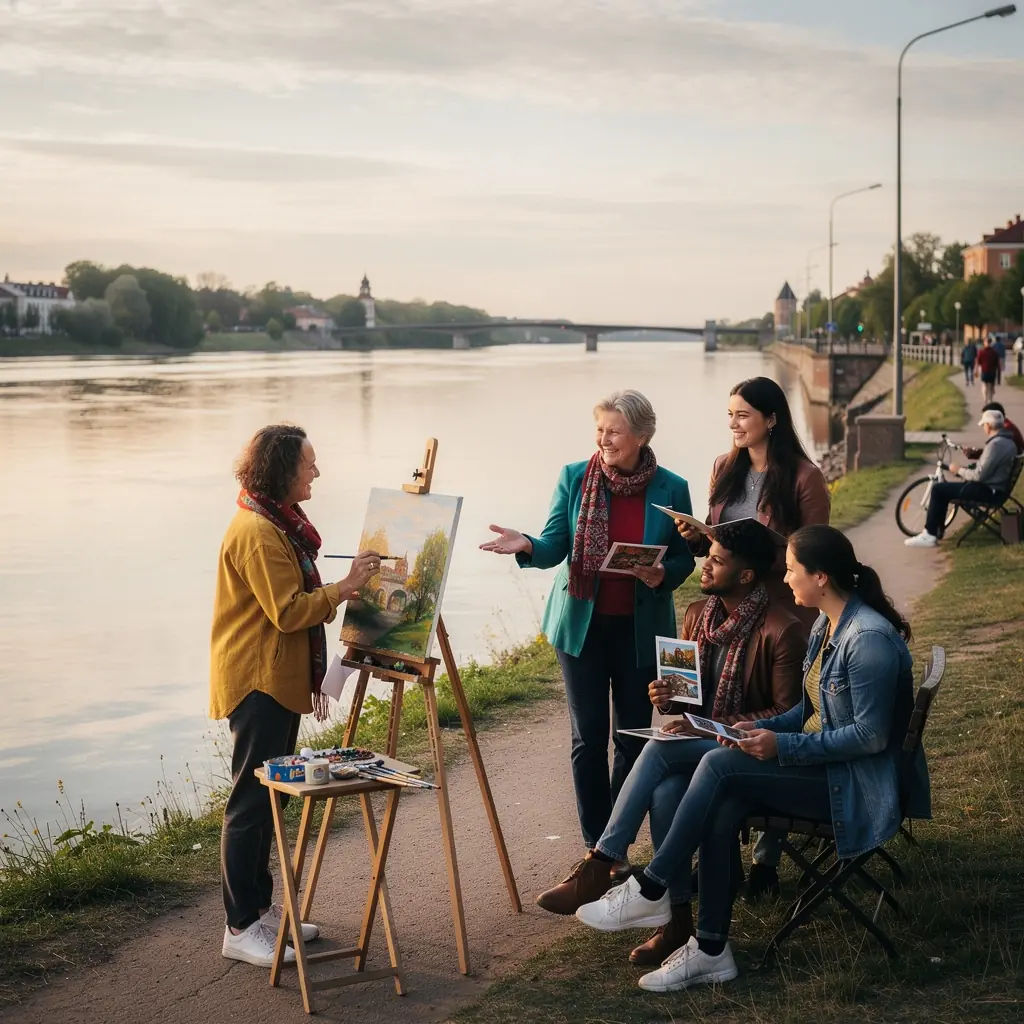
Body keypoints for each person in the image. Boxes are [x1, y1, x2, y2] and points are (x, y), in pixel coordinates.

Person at [575, 525, 929, 993]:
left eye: (791, 572)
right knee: (720, 801)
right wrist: (755, 730)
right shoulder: (829, 624)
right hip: (825, 769)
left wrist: (781, 746)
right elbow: (807, 710)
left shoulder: (867, 640)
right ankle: (711, 950)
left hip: (854, 788)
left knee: (716, 766)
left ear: (821, 577)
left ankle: (652, 886)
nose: (784, 581)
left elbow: (868, 737)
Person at [533, 520, 804, 967]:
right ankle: (676, 921)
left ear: (747, 575)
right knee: (664, 793)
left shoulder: (782, 629)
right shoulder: (700, 614)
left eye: (717, 560)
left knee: (658, 750)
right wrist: (667, 694)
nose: (705, 564)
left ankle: (604, 860)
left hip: (748, 754)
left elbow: (786, 717)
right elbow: (687, 699)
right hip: (706, 745)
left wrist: (706, 727)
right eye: (708, 555)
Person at [480, 390, 695, 876]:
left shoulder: (672, 487)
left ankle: (616, 839)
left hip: (641, 630)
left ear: (641, 436)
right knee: (589, 736)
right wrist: (527, 544)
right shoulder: (575, 477)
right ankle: (597, 845)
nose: (603, 439)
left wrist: (665, 573)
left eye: (613, 431)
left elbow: (685, 555)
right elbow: (556, 541)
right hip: (582, 628)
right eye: (599, 429)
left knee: (635, 737)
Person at [211, 424, 380, 967]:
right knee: (249, 802)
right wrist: (346, 588)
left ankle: (258, 913)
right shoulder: (259, 532)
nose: (316, 472)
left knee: (268, 797)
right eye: (309, 464)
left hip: (275, 678)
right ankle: (240, 927)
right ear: (282, 470)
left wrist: (338, 588)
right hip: (258, 679)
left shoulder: (279, 524)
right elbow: (288, 612)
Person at [676, 377, 830, 633]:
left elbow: (814, 552)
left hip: (780, 607)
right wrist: (695, 537)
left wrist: (753, 557)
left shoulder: (805, 477)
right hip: (728, 603)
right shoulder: (723, 467)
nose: (732, 424)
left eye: (743, 415)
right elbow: (717, 535)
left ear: (770, 419)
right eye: (730, 414)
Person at [905, 409, 1018, 548]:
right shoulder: (1007, 442)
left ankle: (930, 534)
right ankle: (936, 532)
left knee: (939, 489)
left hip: (989, 492)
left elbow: (979, 475)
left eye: (983, 425)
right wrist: (970, 465)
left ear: (988, 425)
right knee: (944, 490)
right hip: (996, 490)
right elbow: (987, 467)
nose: (983, 428)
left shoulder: (995, 445)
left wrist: (958, 470)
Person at [976, 337, 1000, 404]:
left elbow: (978, 362)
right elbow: (997, 364)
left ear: (984, 343)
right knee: (991, 386)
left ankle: (985, 399)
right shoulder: (994, 352)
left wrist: (976, 370)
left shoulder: (981, 352)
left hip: (985, 371)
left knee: (984, 385)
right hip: (992, 371)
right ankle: (990, 399)